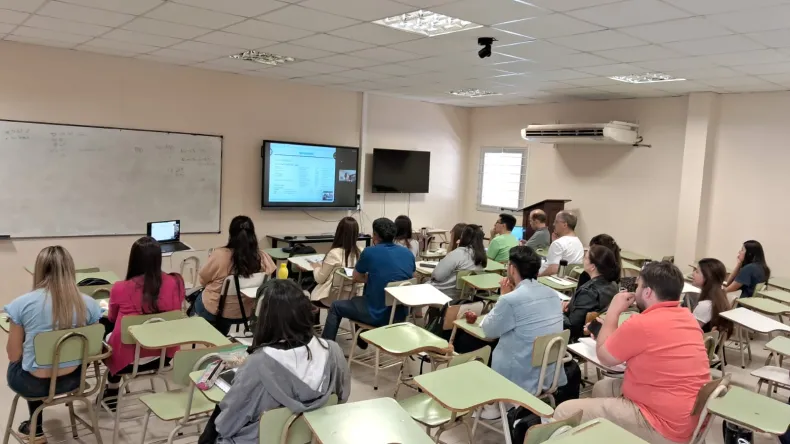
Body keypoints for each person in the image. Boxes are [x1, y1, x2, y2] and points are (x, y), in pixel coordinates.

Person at [553, 261, 710, 444]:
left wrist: (613, 310)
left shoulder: (641, 323)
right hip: (690, 418)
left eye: (638, 286)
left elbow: (605, 357)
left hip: (663, 424)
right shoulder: (687, 317)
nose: (636, 290)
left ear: (648, 292)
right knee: (602, 387)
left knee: (563, 411)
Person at [208, 280, 350, 444]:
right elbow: (342, 398)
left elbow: (226, 425)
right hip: (314, 436)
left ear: (264, 320)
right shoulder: (333, 352)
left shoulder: (257, 365)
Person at [5, 246, 103, 440]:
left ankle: (35, 428)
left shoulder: (21, 304)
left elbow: (13, 355)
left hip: (32, 385)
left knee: (25, 359)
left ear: (39, 270)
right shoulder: (90, 304)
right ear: (70, 269)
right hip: (74, 380)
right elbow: (94, 351)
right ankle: (36, 425)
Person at [480, 246, 566, 419]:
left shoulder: (510, 299)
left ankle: (491, 405)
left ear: (512, 268)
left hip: (519, 377)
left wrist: (503, 296)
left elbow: (489, 330)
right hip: (549, 373)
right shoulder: (552, 294)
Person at [102, 237, 186, 402]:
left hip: (127, 360)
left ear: (133, 260)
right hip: (163, 355)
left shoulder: (119, 288)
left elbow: (112, 318)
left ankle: (112, 389)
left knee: (105, 327)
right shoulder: (175, 283)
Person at [321, 218, 415, 342]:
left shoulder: (370, 252)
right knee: (358, 300)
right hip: (400, 315)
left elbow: (356, 277)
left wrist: (372, 278)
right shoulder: (407, 253)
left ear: (375, 235)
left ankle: (327, 347)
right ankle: (361, 338)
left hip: (376, 314)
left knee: (336, 306)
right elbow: (411, 276)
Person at [195, 216, 276, 335]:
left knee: (196, 298)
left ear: (231, 234)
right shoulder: (262, 257)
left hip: (217, 311)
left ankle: (214, 336)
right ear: (252, 234)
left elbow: (203, 280)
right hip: (247, 312)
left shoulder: (219, 255)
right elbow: (271, 276)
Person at [563, 245, 619, 342]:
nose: (583, 260)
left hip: (578, 339)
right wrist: (573, 305)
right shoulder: (614, 285)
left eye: (585, 258)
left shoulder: (588, 291)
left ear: (592, 267)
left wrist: (559, 313)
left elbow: (572, 326)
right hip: (599, 335)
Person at [310, 217, 362, 307]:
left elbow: (319, 279)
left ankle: (314, 314)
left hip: (332, 298)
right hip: (354, 297)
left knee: (310, 288)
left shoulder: (334, 253)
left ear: (339, 233)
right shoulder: (362, 252)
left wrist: (316, 267)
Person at [429, 225, 487, 297]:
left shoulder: (458, 253)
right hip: (466, 295)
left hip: (443, 293)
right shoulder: (482, 257)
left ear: (463, 237)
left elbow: (437, 276)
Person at [692, 258, 732, 334]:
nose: (693, 273)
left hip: (700, 340)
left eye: (697, 272)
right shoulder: (720, 297)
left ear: (708, 277)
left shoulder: (705, 306)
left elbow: (691, 332)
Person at [539, 211, 584, 277]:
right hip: (567, 280)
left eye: (556, 222)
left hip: (547, 279)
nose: (553, 224)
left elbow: (553, 269)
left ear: (565, 225)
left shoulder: (558, 243)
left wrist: (537, 277)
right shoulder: (579, 242)